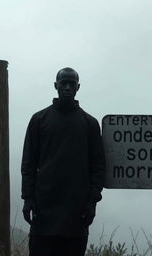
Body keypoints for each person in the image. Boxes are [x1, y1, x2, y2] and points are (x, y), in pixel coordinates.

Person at [21, 67, 105, 256]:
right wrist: (27, 198)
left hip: (77, 215)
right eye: (63, 83)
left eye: (71, 84)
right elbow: (29, 163)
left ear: (78, 87)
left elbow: (98, 166)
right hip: (43, 213)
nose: (67, 87)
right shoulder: (38, 120)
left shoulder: (90, 124)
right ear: (55, 86)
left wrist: (92, 202)